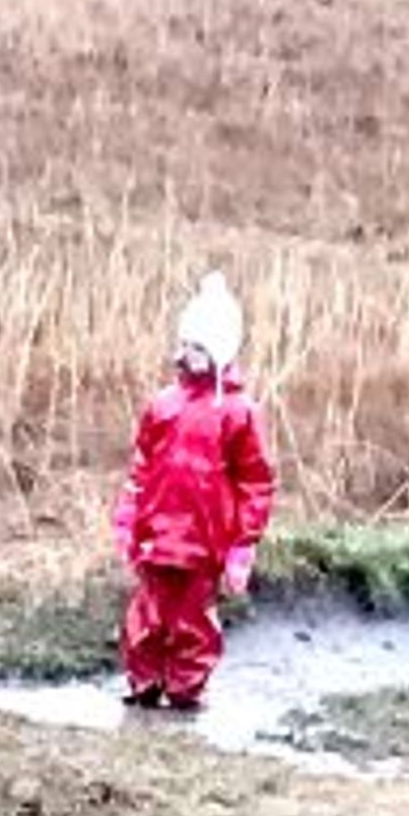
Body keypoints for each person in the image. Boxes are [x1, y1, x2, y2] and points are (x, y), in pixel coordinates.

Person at [117, 277, 274, 716]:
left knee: (193, 620)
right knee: (147, 615)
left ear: (222, 353)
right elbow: (142, 467)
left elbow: (256, 481)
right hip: (156, 534)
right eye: (186, 344)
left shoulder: (239, 413)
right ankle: (143, 681)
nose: (189, 355)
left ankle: (186, 688)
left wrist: (243, 543)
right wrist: (128, 518)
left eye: (200, 347)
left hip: (204, 541)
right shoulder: (162, 405)